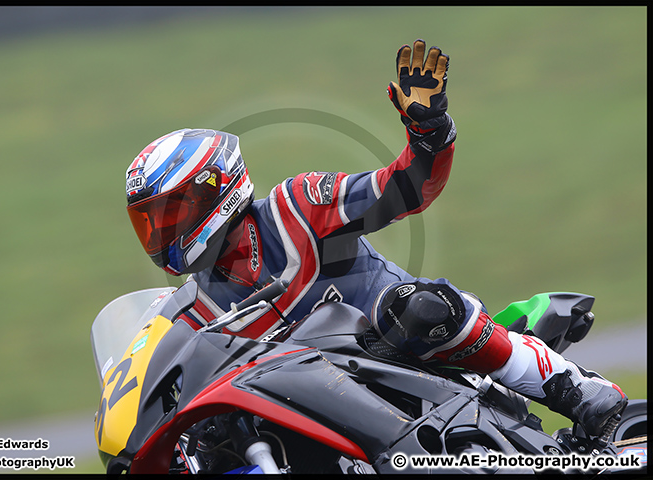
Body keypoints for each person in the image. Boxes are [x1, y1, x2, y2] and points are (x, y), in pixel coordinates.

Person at [124, 40, 626, 439]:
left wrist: (427, 130)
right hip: (320, 413)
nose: (162, 231)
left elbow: (406, 189)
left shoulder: (296, 207)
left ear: (219, 186)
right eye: (150, 221)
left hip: (410, 359)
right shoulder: (191, 310)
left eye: (170, 213)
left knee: (415, 308)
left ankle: (578, 391)